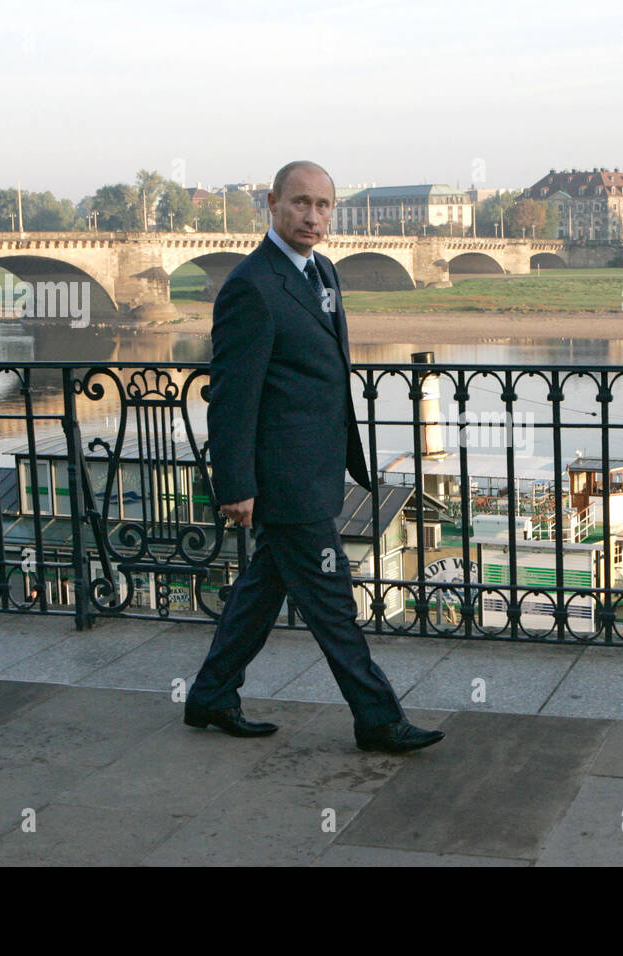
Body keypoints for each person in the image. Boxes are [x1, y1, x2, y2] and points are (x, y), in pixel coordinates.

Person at [184, 160, 444, 755]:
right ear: (272, 204)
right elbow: (232, 395)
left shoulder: (322, 270)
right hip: (284, 477)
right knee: (332, 600)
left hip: (316, 464)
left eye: (324, 205)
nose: (313, 216)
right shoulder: (251, 285)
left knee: (261, 591)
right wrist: (236, 484)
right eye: (301, 203)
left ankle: (211, 695)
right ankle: (377, 718)